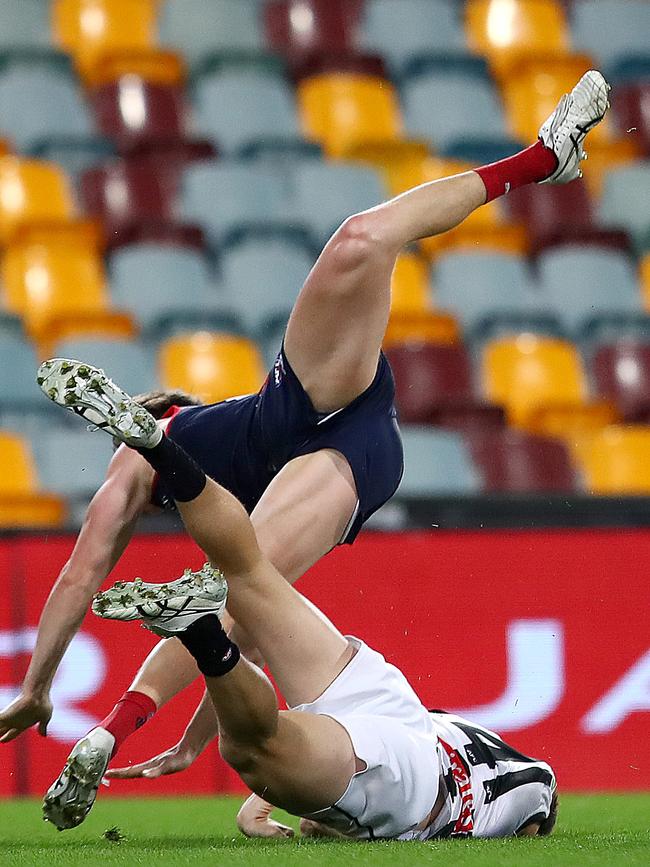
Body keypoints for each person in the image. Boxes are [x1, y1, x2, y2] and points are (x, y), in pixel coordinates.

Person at [2, 68, 607, 828]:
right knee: (227, 588)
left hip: (328, 414)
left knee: (362, 236)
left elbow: (82, 576)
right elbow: (113, 580)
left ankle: (542, 160)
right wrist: (40, 687)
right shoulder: (138, 478)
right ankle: (108, 730)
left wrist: (47, 689)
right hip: (326, 474)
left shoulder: (195, 430)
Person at [42, 365, 558, 840]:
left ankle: (160, 447)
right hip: (412, 785)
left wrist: (239, 782)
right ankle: (200, 630)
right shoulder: (534, 790)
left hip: (384, 696)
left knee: (246, 575)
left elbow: (262, 657)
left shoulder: (509, 766)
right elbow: (532, 808)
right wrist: (276, 802)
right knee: (251, 747)